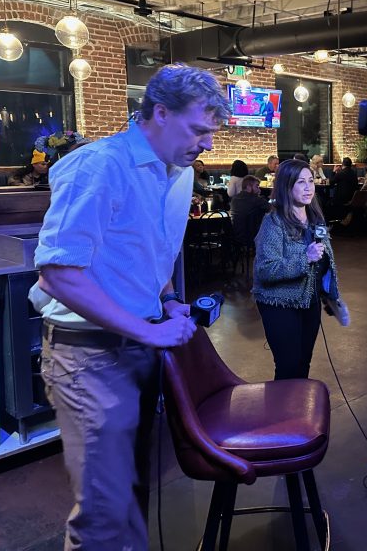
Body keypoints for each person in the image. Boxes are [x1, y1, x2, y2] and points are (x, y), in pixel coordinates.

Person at [28, 64, 228, 550]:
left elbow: (151, 251)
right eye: (198, 130)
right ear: (160, 112)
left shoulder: (179, 173)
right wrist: (150, 332)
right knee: (104, 515)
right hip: (88, 357)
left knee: (133, 494)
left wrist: (167, 300)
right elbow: (58, 273)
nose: (206, 144)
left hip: (138, 345)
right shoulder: (100, 165)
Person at [252, 159, 343, 379]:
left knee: (303, 363)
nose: (308, 187)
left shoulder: (316, 220)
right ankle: (282, 403)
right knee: (288, 366)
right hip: (279, 303)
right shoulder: (273, 222)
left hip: (309, 301)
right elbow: (265, 269)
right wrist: (305, 258)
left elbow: (324, 262)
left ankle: (298, 402)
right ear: (286, 186)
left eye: (310, 181)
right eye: (301, 182)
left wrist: (331, 295)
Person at [230, 175, 270, 244]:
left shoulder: (234, 199)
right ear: (248, 187)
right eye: (257, 186)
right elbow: (274, 210)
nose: (259, 189)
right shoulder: (257, 200)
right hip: (253, 237)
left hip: (236, 236)